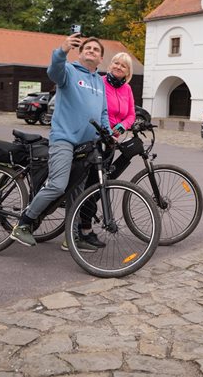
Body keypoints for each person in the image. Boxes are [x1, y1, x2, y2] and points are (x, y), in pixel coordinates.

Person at [10, 34, 109, 250]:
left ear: (101, 59)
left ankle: (71, 238)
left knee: (77, 192)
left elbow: (102, 113)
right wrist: (62, 50)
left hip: (86, 146)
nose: (91, 51)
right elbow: (53, 72)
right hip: (64, 139)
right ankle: (24, 223)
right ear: (81, 53)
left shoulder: (100, 83)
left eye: (96, 50)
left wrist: (108, 133)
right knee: (57, 185)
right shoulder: (70, 72)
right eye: (88, 48)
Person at [61, 51, 137, 251]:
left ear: (128, 72)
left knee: (100, 185)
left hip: (111, 142)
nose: (118, 67)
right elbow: (94, 109)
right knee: (89, 186)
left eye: (123, 66)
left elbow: (131, 114)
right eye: (115, 63)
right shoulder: (99, 82)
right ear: (110, 64)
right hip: (94, 139)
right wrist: (105, 130)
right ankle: (81, 229)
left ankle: (84, 228)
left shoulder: (127, 89)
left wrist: (121, 128)